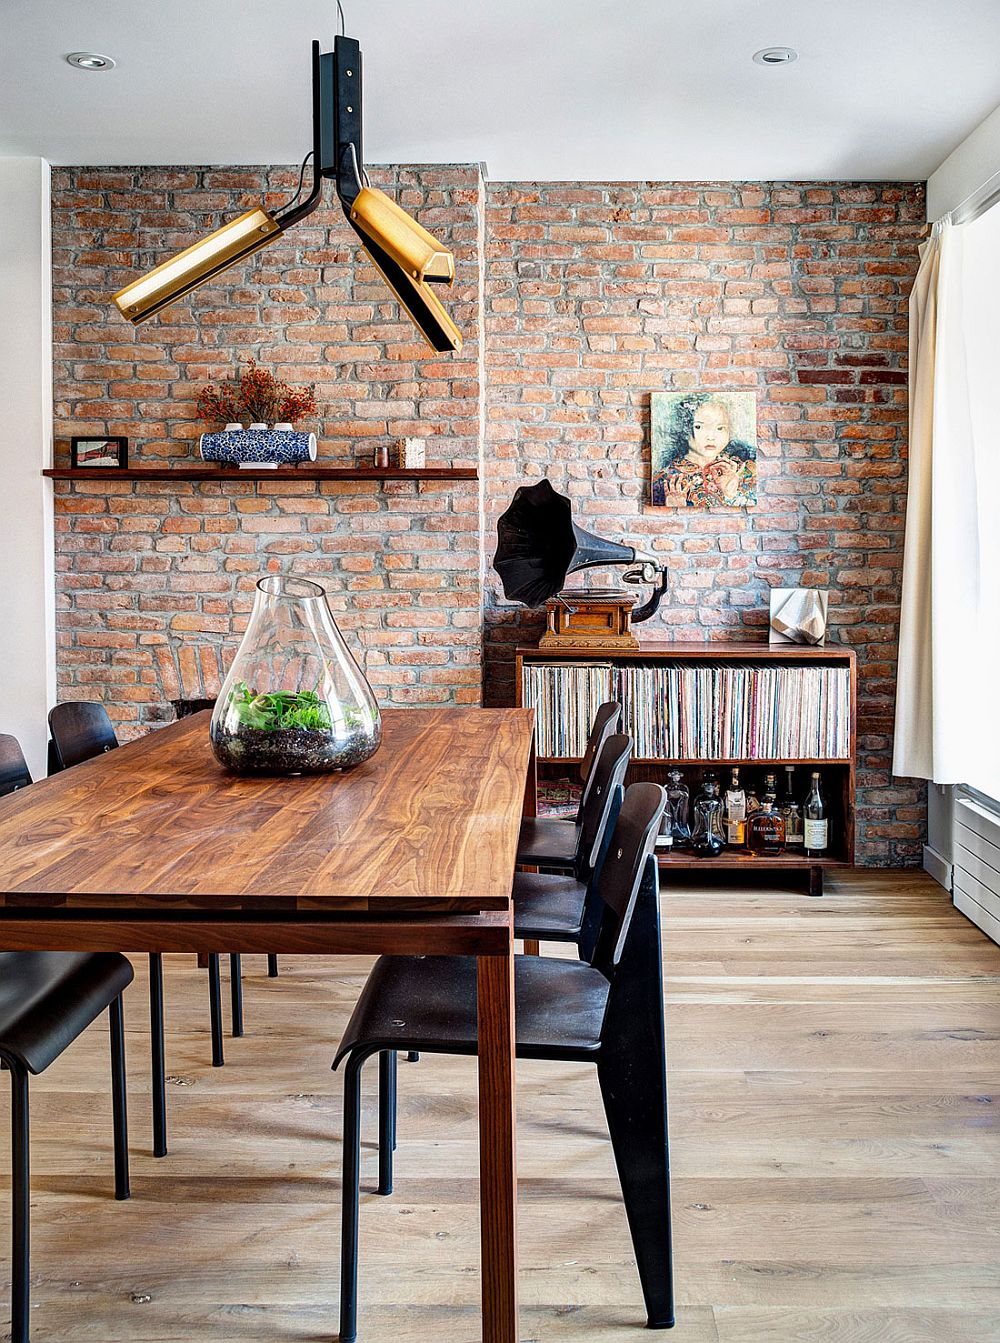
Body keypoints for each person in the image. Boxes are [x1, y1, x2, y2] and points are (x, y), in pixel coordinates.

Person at [651, 394, 756, 507]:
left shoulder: (742, 469)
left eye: (720, 428)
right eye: (699, 427)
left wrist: (730, 493)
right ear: (685, 429)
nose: (711, 437)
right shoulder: (666, 479)